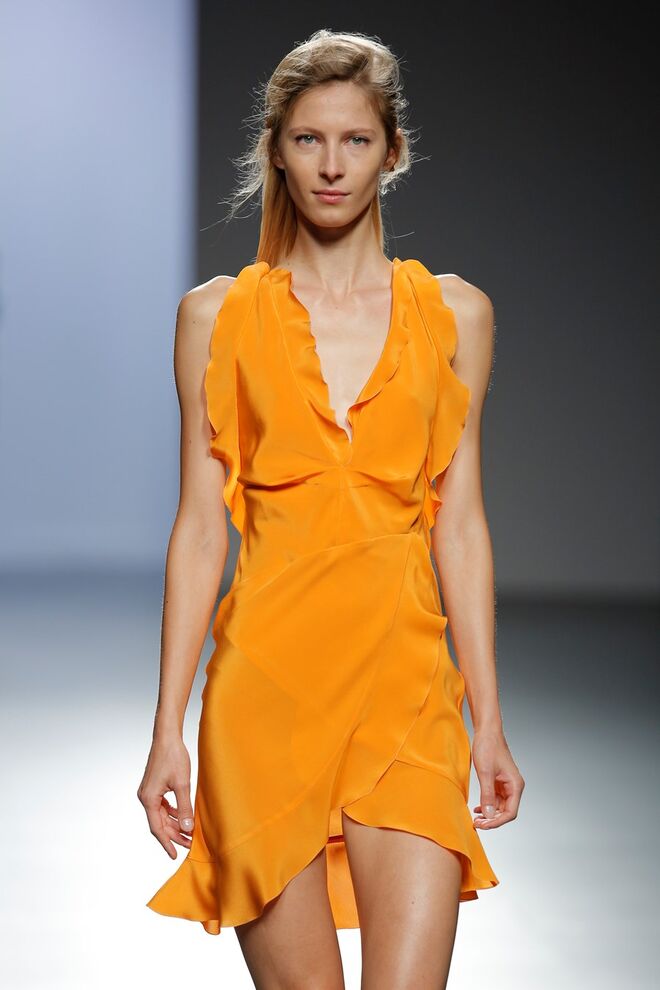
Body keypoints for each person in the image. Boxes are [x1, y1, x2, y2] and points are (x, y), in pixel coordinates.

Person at [138, 28, 525, 990]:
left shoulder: (456, 315)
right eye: (309, 139)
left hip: (407, 691)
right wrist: (167, 727)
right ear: (276, 149)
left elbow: (460, 523)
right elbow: (200, 528)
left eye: (355, 140)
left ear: (393, 151)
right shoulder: (216, 317)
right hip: (265, 693)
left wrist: (488, 718)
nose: (331, 165)